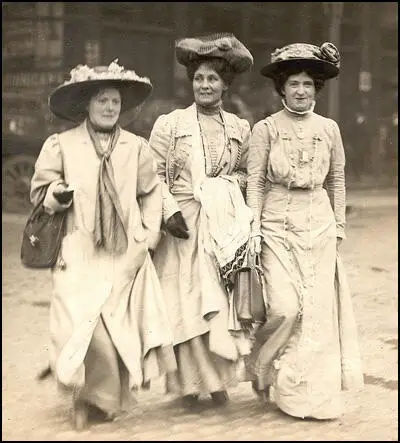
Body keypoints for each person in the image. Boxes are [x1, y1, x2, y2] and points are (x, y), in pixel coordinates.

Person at [30, 59, 177, 430]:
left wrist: (147, 235)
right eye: (101, 101)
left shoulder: (136, 147)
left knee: (114, 327)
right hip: (77, 248)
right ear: (87, 105)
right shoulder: (61, 145)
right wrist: (55, 196)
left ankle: (100, 401)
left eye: (114, 101)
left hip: (123, 252)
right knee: (80, 325)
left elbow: (151, 193)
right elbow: (39, 190)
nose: (109, 107)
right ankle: (86, 394)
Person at [245, 42, 364, 419]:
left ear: (316, 89)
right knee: (284, 306)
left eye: (308, 84)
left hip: (319, 223)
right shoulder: (266, 129)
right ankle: (261, 369)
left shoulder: (329, 129)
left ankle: (303, 395)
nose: (300, 90)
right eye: (293, 83)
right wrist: (253, 229)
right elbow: (256, 182)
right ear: (281, 88)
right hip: (276, 224)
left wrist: (339, 226)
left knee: (315, 312)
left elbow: (338, 178)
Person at [148, 33, 254, 409]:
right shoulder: (170, 125)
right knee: (185, 300)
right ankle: (190, 386)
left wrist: (222, 189)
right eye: (199, 79)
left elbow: (246, 175)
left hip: (219, 225)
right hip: (181, 223)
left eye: (213, 79)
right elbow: (152, 175)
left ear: (225, 85)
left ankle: (219, 380)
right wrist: (168, 212)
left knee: (218, 300)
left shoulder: (240, 128)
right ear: (190, 83)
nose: (205, 85)